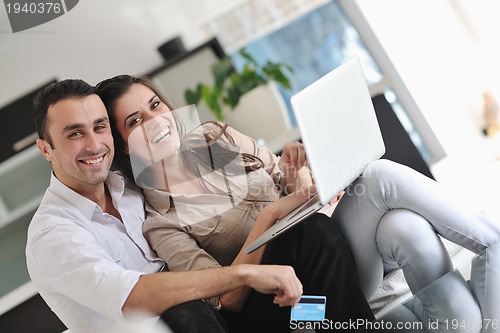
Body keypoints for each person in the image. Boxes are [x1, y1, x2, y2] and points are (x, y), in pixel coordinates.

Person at [97, 74, 500, 333]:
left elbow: (284, 178)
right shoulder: (160, 222)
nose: (155, 121)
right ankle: (493, 241)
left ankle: (489, 253)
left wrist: (300, 170)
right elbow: (228, 297)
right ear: (121, 147)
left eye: (154, 105)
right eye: (134, 121)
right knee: (379, 178)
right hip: (306, 299)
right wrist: (273, 214)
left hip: (330, 238)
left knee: (402, 225)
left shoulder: (211, 140)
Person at [25, 79, 311, 333]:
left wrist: (299, 178)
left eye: (100, 127)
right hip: (176, 321)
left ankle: (330, 322)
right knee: (186, 310)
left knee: (314, 241)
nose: (94, 144)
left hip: (216, 318)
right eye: (75, 134)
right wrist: (245, 271)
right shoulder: (53, 233)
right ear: (45, 149)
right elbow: (131, 296)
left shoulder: (129, 189)